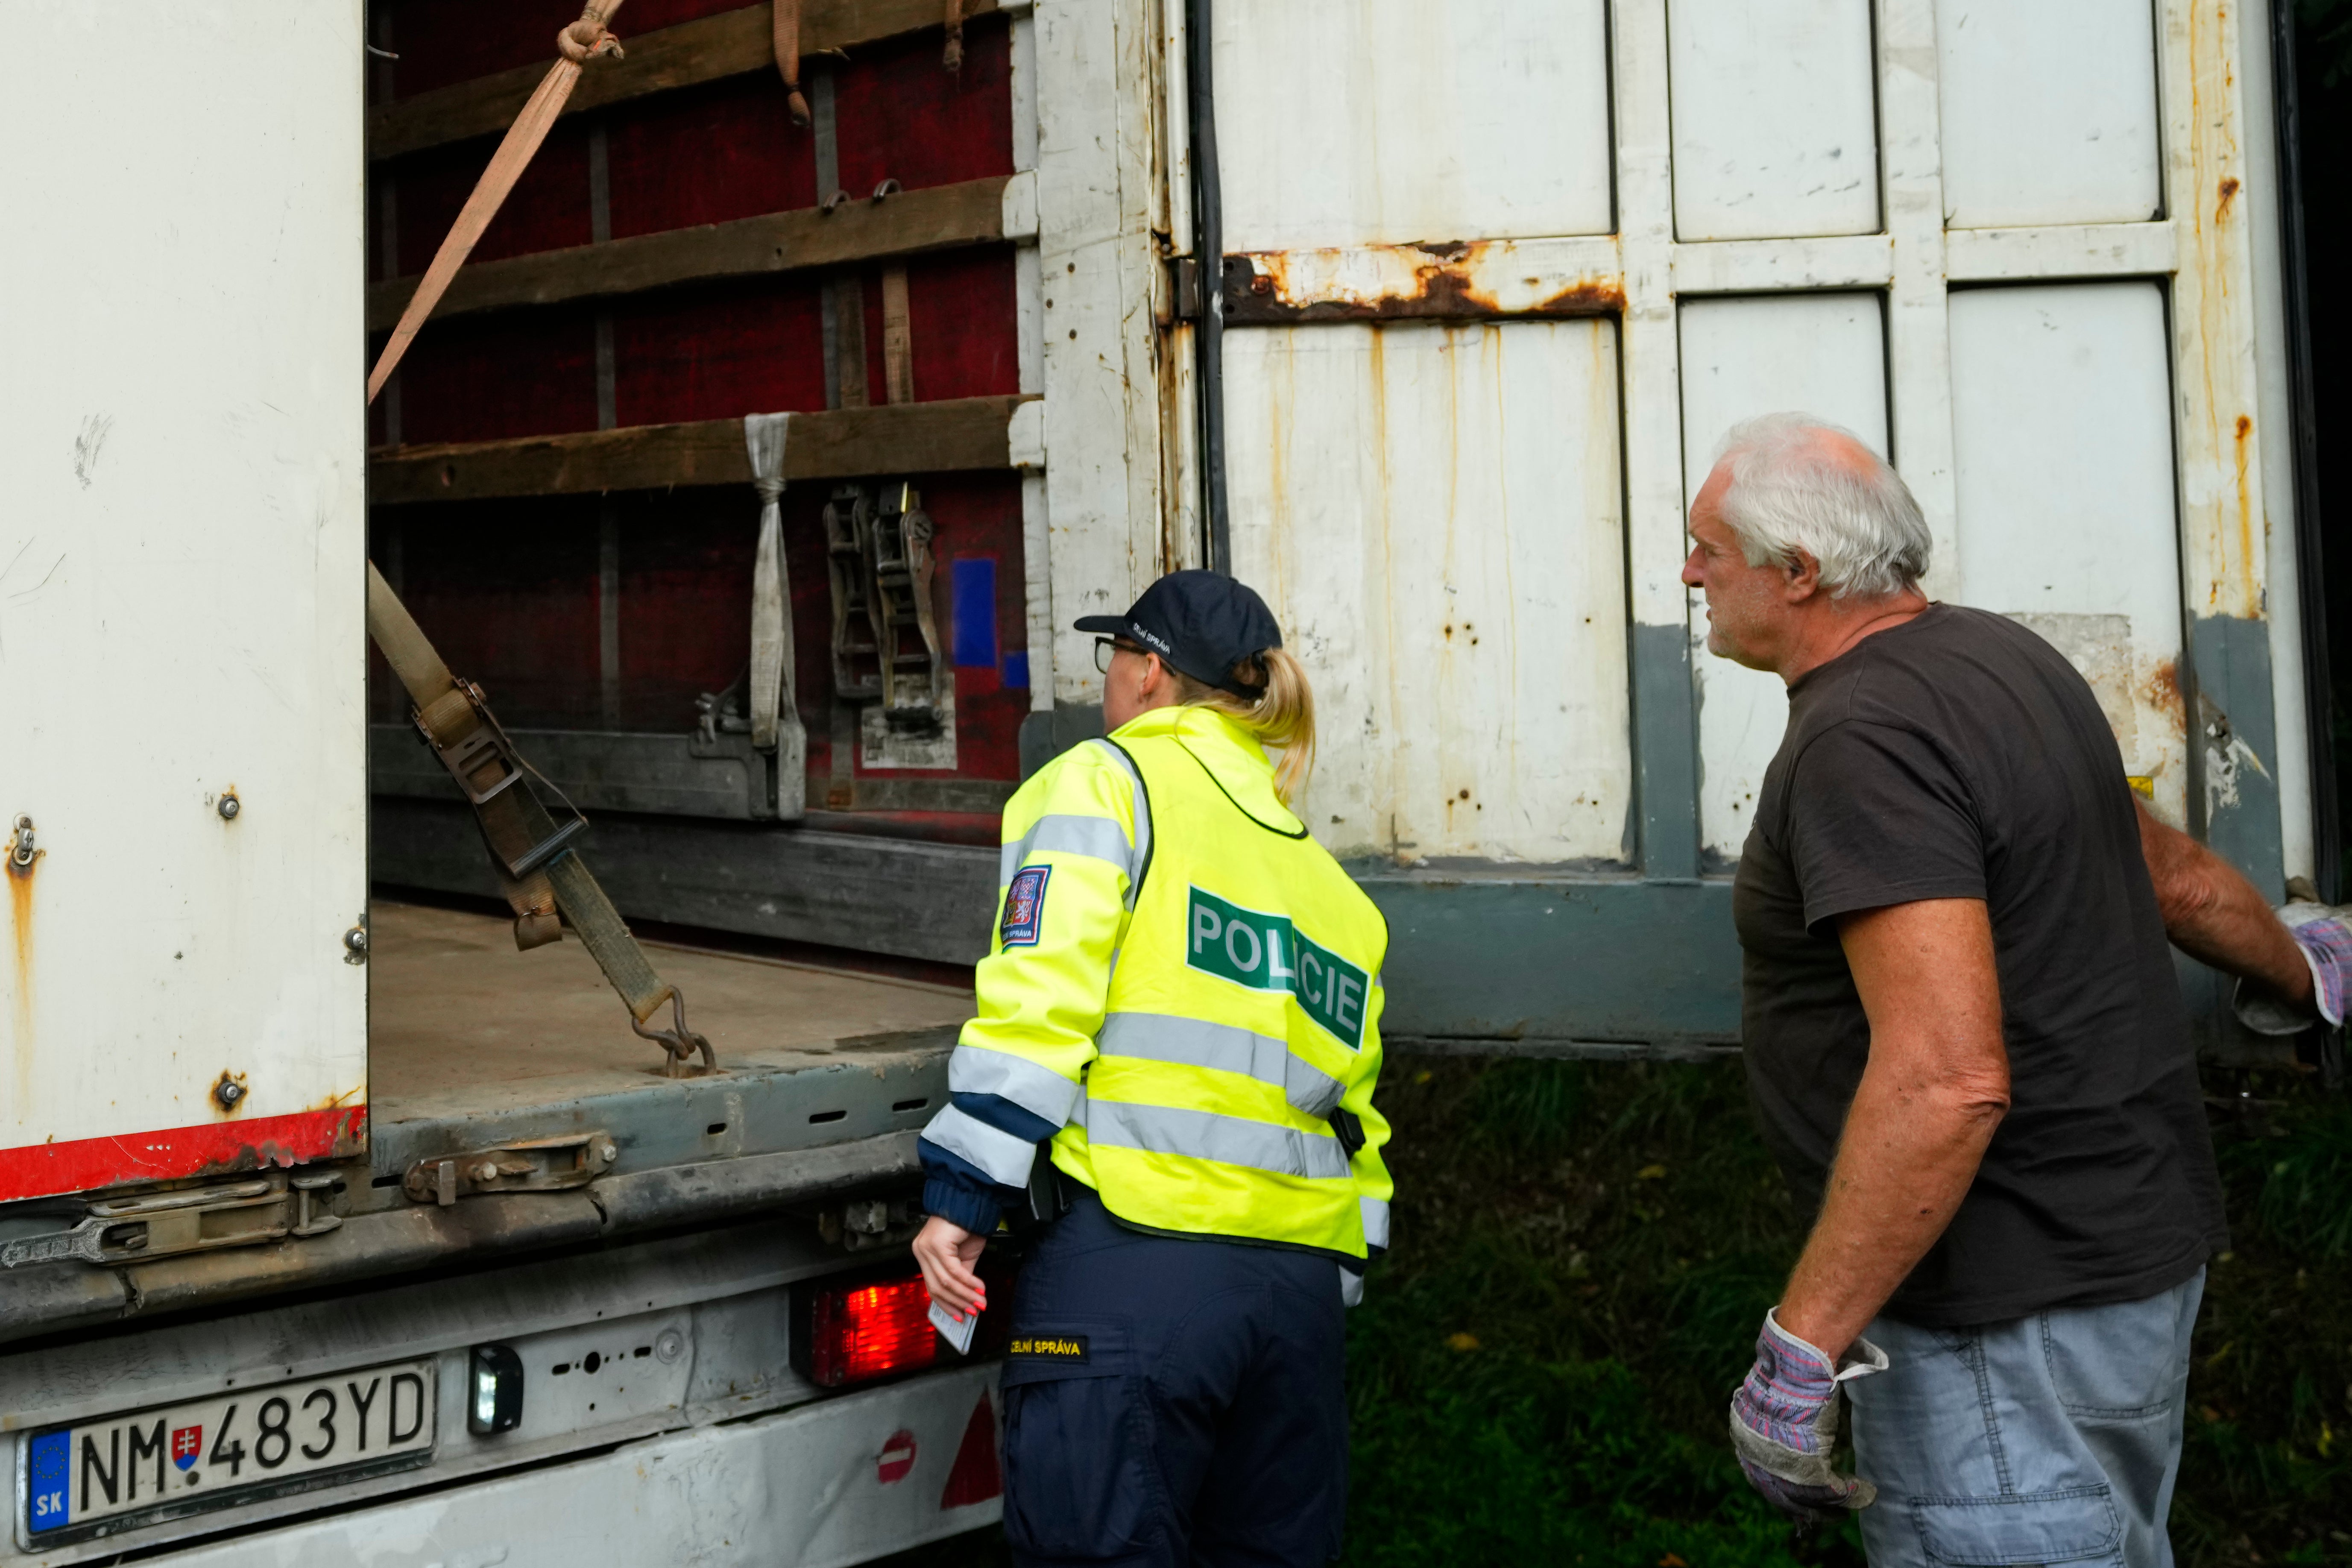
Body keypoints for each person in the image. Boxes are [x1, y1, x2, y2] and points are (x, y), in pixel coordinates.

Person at [1682, 413, 2322, 1565]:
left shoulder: (1859, 738)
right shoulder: (2005, 659)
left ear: (1797, 572)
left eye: (1707, 552)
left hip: (2001, 1317)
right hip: (2122, 1271)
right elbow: (2170, 876)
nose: (1688, 575)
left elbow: (1945, 1080)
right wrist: (2306, 975)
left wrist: (1801, 1350)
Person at [910, 570, 1392, 1568]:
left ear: (1151, 673)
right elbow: (1355, 1121)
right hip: (1295, 1308)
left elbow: (1043, 1003)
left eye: (1113, 659)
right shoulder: (1333, 888)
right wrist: (1335, 1274)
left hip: (1135, 1271)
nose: (1110, 685)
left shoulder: (1107, 782)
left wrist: (963, 1193)